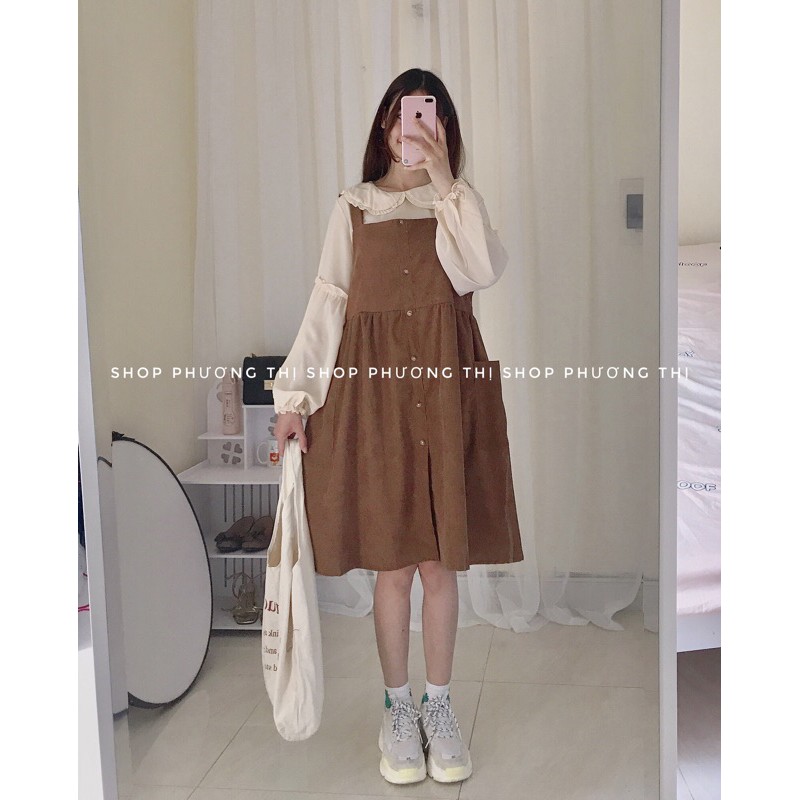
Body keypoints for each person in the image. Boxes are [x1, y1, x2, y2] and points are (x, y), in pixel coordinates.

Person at [272, 68, 524, 785]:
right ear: (385, 125)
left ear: (444, 129)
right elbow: (329, 301)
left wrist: (445, 182)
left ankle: (438, 706)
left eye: (427, 119)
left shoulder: (456, 204)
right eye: (403, 116)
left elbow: (481, 269)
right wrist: (294, 397)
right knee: (393, 565)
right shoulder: (354, 207)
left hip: (446, 394)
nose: (411, 130)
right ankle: (397, 708)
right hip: (378, 400)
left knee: (438, 564)